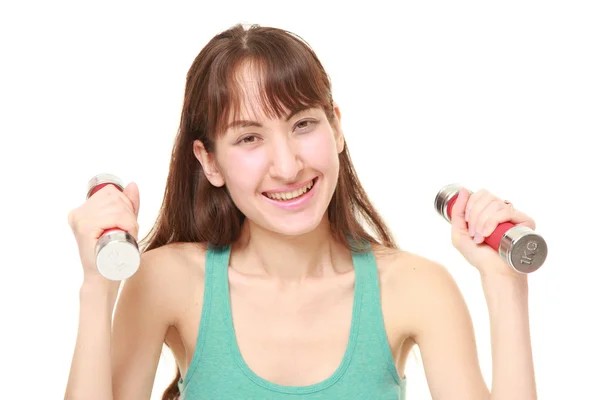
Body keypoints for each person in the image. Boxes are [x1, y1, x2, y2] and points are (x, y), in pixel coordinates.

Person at [64, 24, 538, 400]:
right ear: (209, 162)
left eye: (303, 124)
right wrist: (96, 287)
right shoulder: (166, 281)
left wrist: (504, 285)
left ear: (336, 128)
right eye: (249, 138)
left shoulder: (416, 288)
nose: (288, 166)